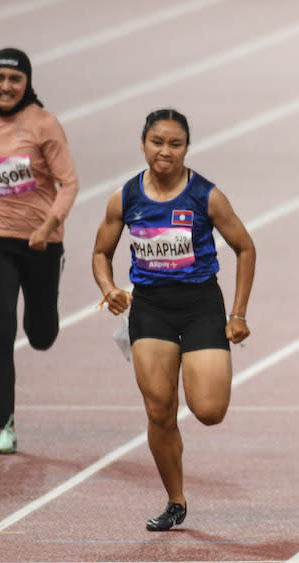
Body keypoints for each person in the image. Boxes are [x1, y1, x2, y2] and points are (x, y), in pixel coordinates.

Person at [91, 109, 255, 532]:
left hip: (200, 304)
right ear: (144, 144)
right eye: (157, 142)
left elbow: (245, 247)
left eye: (175, 144)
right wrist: (109, 288)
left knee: (209, 410)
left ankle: (200, 370)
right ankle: (175, 500)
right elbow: (100, 252)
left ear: (186, 148)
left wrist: (237, 313)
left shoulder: (206, 195)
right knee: (160, 410)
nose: (165, 151)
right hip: (150, 309)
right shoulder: (125, 197)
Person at [0, 48, 79, 454]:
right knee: (1, 330)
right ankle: (5, 425)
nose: (6, 86)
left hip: (42, 243)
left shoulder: (44, 125)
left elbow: (69, 183)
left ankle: (44, 315)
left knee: (40, 335)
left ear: (27, 83)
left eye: (15, 79)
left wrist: (48, 225)